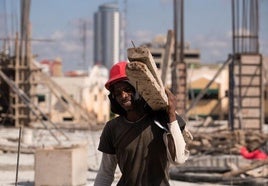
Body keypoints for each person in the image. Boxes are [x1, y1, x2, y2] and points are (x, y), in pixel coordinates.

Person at [94, 61, 189, 186]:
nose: (123, 96)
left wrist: (171, 114)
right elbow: (106, 172)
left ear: (140, 89)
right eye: (118, 93)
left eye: (128, 89)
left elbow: (179, 159)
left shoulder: (160, 121)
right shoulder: (112, 128)